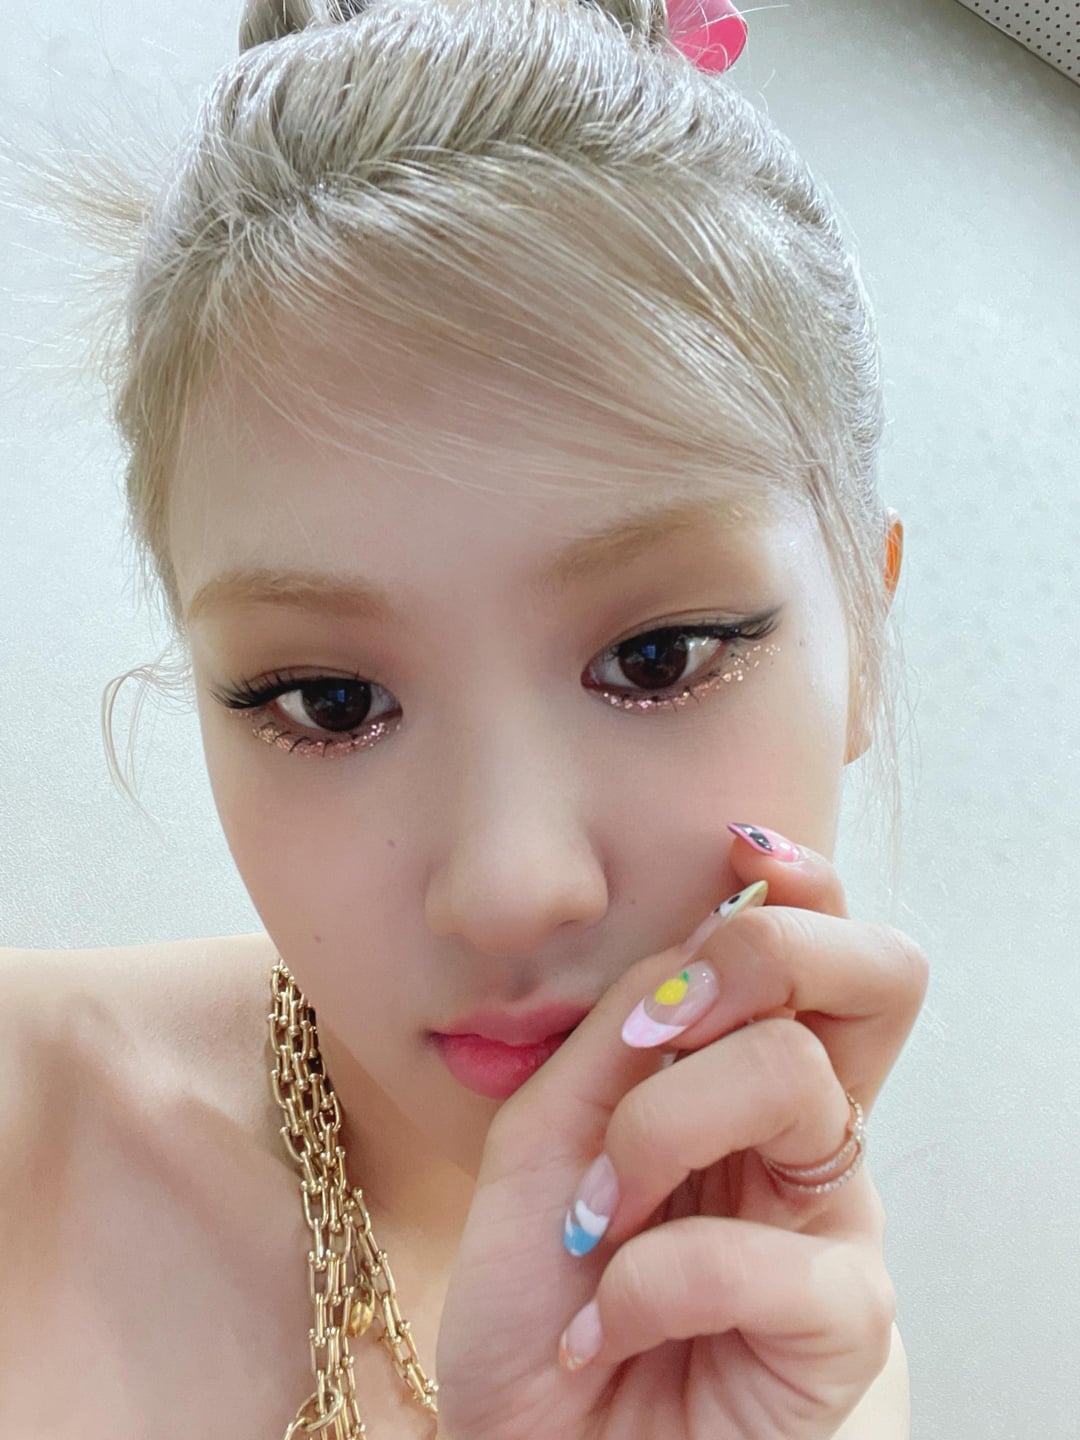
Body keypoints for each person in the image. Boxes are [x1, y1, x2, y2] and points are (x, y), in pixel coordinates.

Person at [0, 0, 929, 1435]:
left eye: (657, 660)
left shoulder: (796, 1362)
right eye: (331, 702)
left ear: (864, 638)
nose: (510, 888)